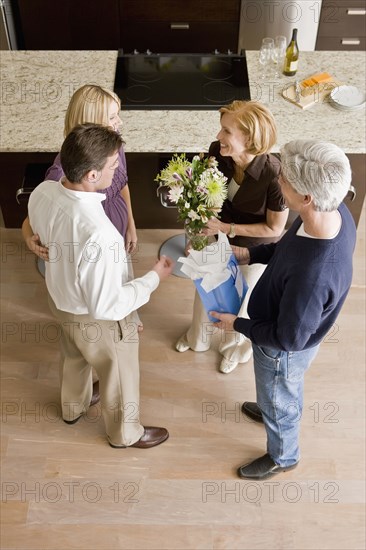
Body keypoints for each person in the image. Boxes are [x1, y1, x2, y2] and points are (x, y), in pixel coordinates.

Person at [211, 139, 356, 479]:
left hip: (281, 348)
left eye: (284, 180)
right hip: (289, 325)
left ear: (307, 197)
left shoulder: (314, 276)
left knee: (282, 398)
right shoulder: (329, 212)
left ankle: (284, 455)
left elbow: (287, 340)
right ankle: (267, 406)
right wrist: (249, 254)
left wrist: (238, 326)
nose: (278, 182)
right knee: (273, 392)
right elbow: (287, 250)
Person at [28, 123, 174, 448]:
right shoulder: (100, 235)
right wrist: (153, 279)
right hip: (95, 319)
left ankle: (72, 407)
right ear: (92, 175)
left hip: (60, 299)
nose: (117, 167)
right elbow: (108, 306)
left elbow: (35, 229)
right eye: (112, 164)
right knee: (120, 370)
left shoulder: (43, 192)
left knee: (73, 355)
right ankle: (125, 433)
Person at [22, 84, 141, 405]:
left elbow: (123, 182)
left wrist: (130, 221)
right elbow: (32, 218)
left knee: (116, 282)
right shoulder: (61, 171)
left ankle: (76, 401)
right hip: (85, 250)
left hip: (114, 226)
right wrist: (30, 242)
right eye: (113, 117)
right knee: (96, 319)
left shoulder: (112, 146)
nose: (119, 123)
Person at [175, 100, 289, 373]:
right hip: (218, 235)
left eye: (226, 131)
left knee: (239, 302)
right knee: (205, 287)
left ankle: (235, 348)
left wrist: (227, 229)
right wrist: (198, 232)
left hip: (254, 248)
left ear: (249, 138)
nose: (218, 137)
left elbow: (274, 229)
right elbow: (204, 194)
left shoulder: (274, 175)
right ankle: (197, 338)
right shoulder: (218, 152)